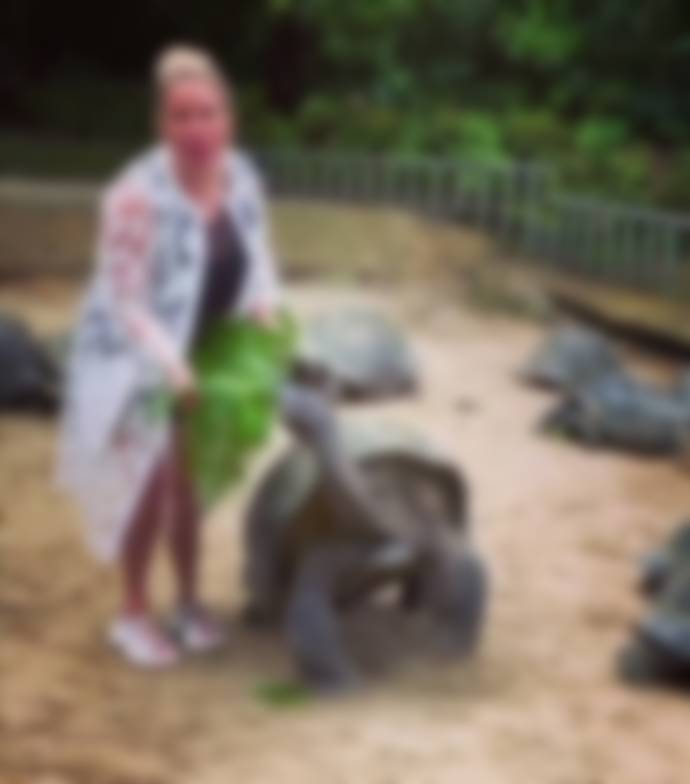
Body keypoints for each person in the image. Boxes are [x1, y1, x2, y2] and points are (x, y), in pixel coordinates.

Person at [59, 45, 281, 668]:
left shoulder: (240, 178)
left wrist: (263, 306)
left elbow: (257, 257)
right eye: (182, 116)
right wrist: (168, 361)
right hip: (129, 352)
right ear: (162, 124)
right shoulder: (133, 198)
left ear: (229, 120)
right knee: (148, 483)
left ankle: (187, 602)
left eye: (208, 113)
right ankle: (132, 612)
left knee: (191, 481)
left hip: (204, 343)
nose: (197, 128)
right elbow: (123, 300)